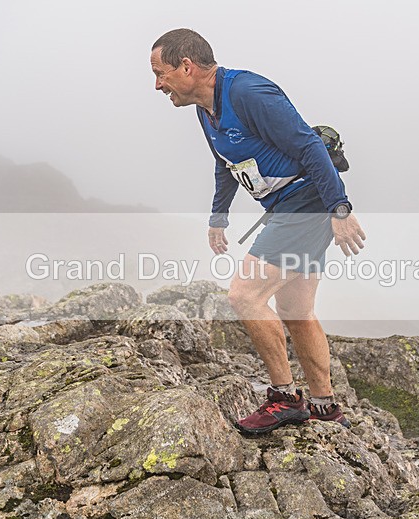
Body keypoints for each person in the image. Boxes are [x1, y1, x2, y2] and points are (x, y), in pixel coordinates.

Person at [150, 28, 366, 434]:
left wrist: (340, 207)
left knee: (244, 295)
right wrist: (218, 217)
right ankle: (324, 406)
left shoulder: (247, 92)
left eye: (160, 73)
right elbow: (225, 162)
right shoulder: (205, 107)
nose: (158, 84)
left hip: (306, 204)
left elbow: (309, 147)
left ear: (187, 66)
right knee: (295, 310)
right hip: (287, 208)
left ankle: (284, 398)